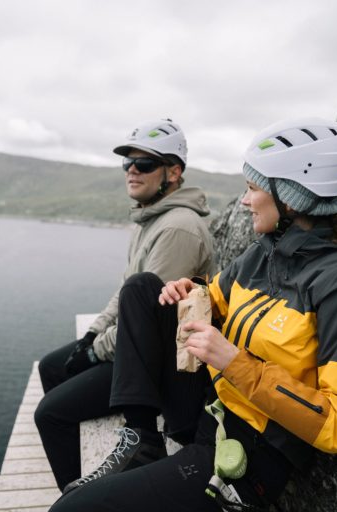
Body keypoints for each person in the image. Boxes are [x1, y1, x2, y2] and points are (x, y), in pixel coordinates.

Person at [49, 118, 337, 511]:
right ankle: (141, 439)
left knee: (71, 509)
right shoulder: (266, 253)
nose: (244, 200)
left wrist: (235, 363)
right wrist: (190, 291)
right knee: (143, 288)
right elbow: (215, 296)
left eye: (253, 188)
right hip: (208, 406)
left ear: (289, 197)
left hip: (248, 455)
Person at [34, 119, 215, 491]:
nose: (132, 170)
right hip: (138, 342)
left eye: (145, 164)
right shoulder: (150, 220)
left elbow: (146, 318)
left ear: (174, 172)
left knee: (50, 414)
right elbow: (123, 294)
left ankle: (82, 495)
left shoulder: (177, 228)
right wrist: (92, 335)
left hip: (158, 358)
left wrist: (95, 353)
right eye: (128, 163)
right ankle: (77, 481)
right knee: (53, 367)